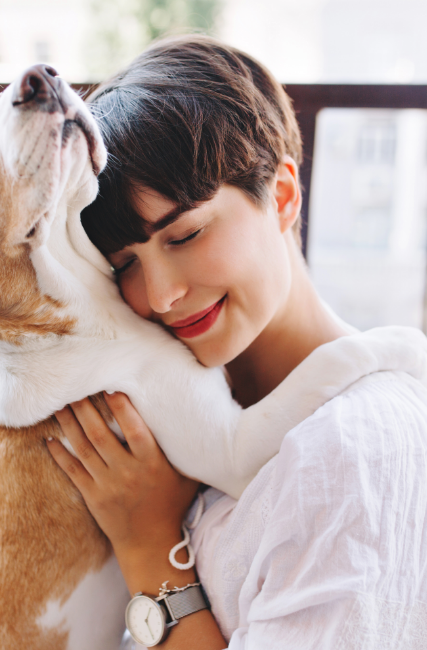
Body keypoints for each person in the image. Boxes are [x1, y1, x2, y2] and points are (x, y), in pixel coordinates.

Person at [46, 35, 427, 649]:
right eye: (126, 265)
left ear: (280, 195)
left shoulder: (351, 452)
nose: (162, 293)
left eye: (185, 234)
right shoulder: (173, 416)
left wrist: (149, 546)